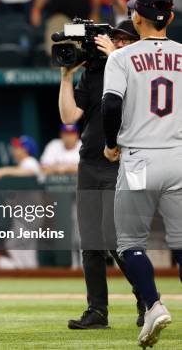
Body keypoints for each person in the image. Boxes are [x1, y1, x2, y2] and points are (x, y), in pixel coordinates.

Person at [101, 0, 179, 348]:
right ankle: (153, 307)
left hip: (138, 157)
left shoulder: (121, 57)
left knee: (130, 242)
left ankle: (153, 305)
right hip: (179, 157)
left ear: (136, 18)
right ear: (171, 18)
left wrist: (111, 143)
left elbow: (111, 107)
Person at [59, 18, 144, 329]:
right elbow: (69, 116)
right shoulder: (96, 73)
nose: (120, 44)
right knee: (92, 241)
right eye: (116, 39)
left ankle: (147, 298)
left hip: (123, 161)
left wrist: (116, 56)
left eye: (126, 41)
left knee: (117, 238)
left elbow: (139, 96)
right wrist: (67, 78)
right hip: (90, 162)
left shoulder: (137, 72)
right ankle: (97, 311)